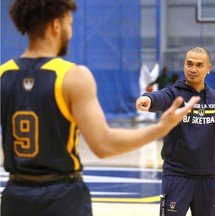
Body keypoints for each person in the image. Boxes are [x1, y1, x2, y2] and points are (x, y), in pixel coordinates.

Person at [0, 1, 201, 216]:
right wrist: (160, 129)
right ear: (56, 25)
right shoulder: (73, 76)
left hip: (14, 197)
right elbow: (103, 145)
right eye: (70, 23)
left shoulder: (4, 74)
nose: (70, 31)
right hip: (61, 197)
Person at [136, 47, 215, 216]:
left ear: (208, 68)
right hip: (177, 177)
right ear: (184, 66)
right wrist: (147, 98)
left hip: (208, 178)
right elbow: (159, 97)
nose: (193, 69)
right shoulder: (174, 94)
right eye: (189, 64)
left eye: (199, 65)